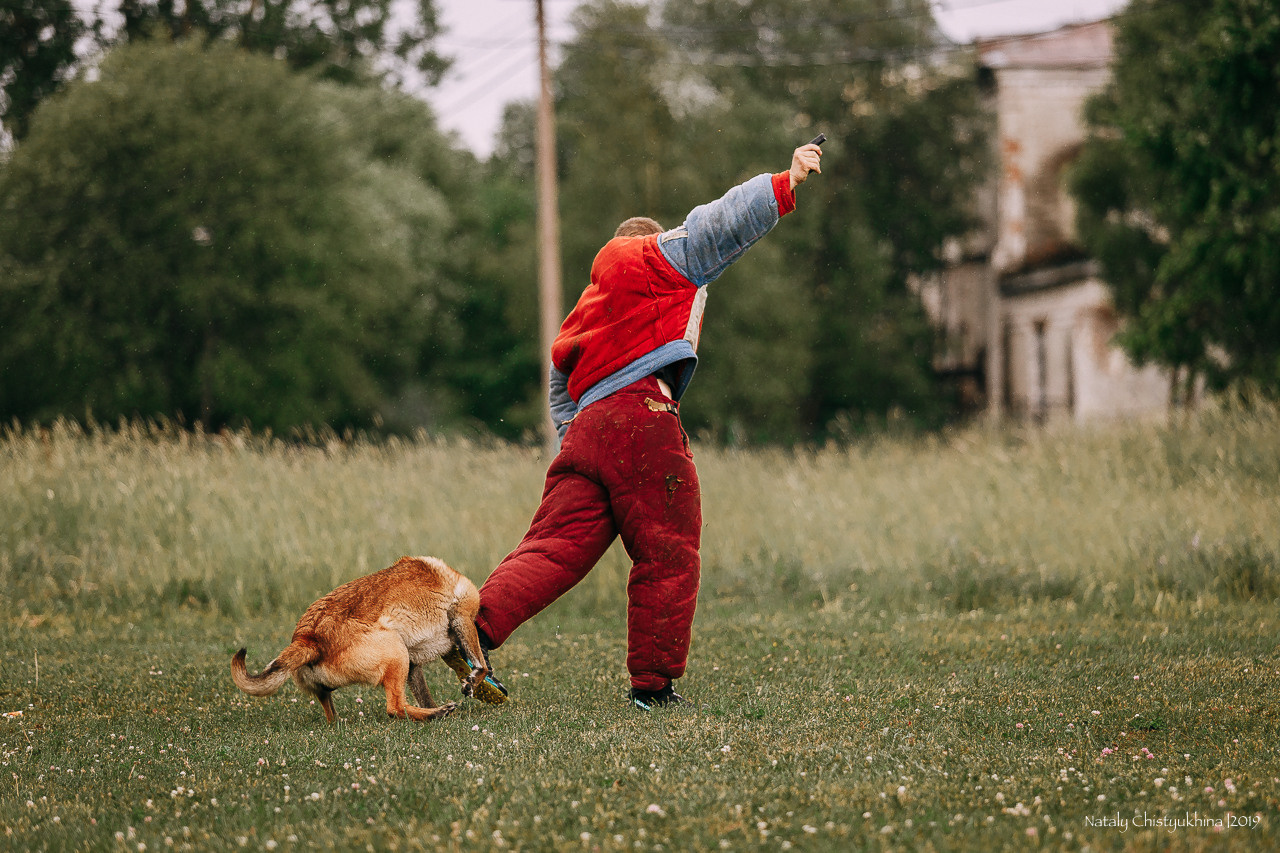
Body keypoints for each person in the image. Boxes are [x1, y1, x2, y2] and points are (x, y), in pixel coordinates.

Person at [446, 140, 822, 709]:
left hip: (588, 431)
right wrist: (785, 181)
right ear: (651, 240)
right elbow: (716, 223)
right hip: (641, 420)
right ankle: (653, 687)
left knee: (552, 547)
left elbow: (557, 373)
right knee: (668, 550)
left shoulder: (589, 305)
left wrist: (570, 439)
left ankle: (478, 630)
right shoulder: (657, 259)